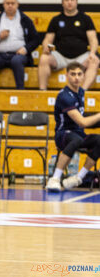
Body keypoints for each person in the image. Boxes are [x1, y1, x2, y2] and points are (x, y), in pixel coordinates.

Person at [46, 62, 100, 192]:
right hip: (62, 134)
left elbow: (83, 121)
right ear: (67, 76)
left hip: (78, 133)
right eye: (73, 74)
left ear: (83, 76)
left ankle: (78, 178)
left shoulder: (81, 92)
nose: (76, 77)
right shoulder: (64, 96)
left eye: (79, 74)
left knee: (98, 140)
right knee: (76, 140)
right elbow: (82, 122)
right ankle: (55, 179)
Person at [38, 0, 99, 91]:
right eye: (67, 0)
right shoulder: (56, 20)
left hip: (81, 58)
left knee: (95, 60)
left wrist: (92, 53)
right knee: (44, 58)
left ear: (76, 2)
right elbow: (47, 40)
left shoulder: (85, 19)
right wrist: (46, 48)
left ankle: (81, 92)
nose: (69, 2)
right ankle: (42, 92)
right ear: (62, 3)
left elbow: (93, 40)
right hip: (60, 57)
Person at [0, 0, 39, 89]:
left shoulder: (25, 19)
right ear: (3, 4)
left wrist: (25, 49)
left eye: (12, 3)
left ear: (17, 4)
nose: (10, 6)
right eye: (7, 3)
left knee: (17, 61)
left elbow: (36, 39)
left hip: (18, 54)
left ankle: (20, 92)